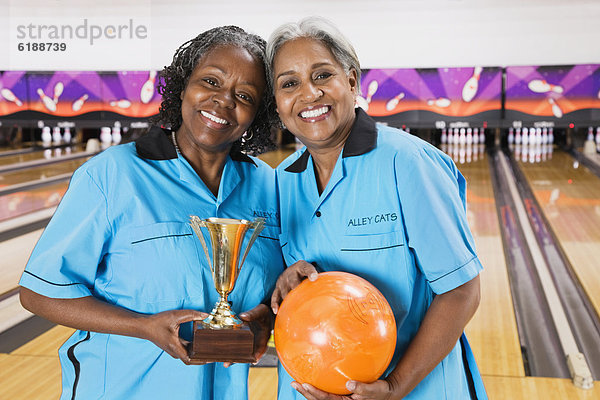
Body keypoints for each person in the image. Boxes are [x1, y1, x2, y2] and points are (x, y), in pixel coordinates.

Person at [19, 26, 284, 400]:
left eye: (244, 95)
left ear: (258, 113)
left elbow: (283, 284)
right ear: (182, 85)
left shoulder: (269, 187)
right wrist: (144, 327)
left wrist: (266, 319)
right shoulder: (112, 175)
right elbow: (37, 292)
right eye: (210, 81)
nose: (223, 100)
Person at [267, 17, 487, 400]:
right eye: (290, 84)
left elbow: (462, 289)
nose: (309, 94)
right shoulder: (281, 180)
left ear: (351, 82)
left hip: (417, 389)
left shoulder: (409, 163)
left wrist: (396, 386)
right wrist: (285, 281)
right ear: (278, 103)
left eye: (322, 76)